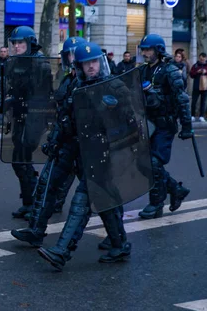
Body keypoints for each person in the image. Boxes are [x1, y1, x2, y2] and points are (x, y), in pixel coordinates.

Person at [38, 42, 132, 270]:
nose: (91, 67)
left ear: (100, 62)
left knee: (81, 202)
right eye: (86, 63)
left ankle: (62, 251)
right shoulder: (76, 89)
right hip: (85, 155)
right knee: (105, 202)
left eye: (94, 62)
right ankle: (120, 245)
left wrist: (111, 118)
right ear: (79, 66)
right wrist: (55, 142)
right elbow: (65, 122)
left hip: (107, 155)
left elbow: (131, 121)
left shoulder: (115, 87)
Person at [10, 37, 86, 247]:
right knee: (46, 185)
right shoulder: (68, 79)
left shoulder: (88, 80)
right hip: (66, 142)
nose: (69, 59)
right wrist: (54, 138)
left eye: (71, 54)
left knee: (95, 193)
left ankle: (118, 240)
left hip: (85, 147)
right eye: (67, 55)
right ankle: (36, 231)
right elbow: (60, 110)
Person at [137, 34, 193, 219]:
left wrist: (186, 126)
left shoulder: (170, 71)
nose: (144, 53)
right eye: (143, 49)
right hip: (147, 124)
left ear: (158, 51)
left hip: (165, 125)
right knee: (144, 163)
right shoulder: (142, 71)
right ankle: (176, 189)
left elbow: (182, 100)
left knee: (154, 163)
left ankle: (156, 204)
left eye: (148, 49)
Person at [0, 26, 53, 219]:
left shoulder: (40, 64)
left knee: (22, 157)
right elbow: (12, 88)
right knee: (19, 161)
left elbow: (43, 94)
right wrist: (6, 101)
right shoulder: (14, 62)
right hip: (19, 116)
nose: (16, 46)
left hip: (35, 117)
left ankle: (37, 200)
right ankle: (30, 201)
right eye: (14, 43)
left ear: (29, 43)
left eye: (20, 42)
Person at [190, 52, 207, 122]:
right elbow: (191, 74)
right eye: (200, 59)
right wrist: (197, 72)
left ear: (205, 58)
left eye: (203, 59)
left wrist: (205, 71)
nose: (202, 60)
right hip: (196, 87)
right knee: (194, 101)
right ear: (199, 58)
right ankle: (192, 115)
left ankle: (201, 116)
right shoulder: (195, 65)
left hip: (205, 87)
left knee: (203, 102)